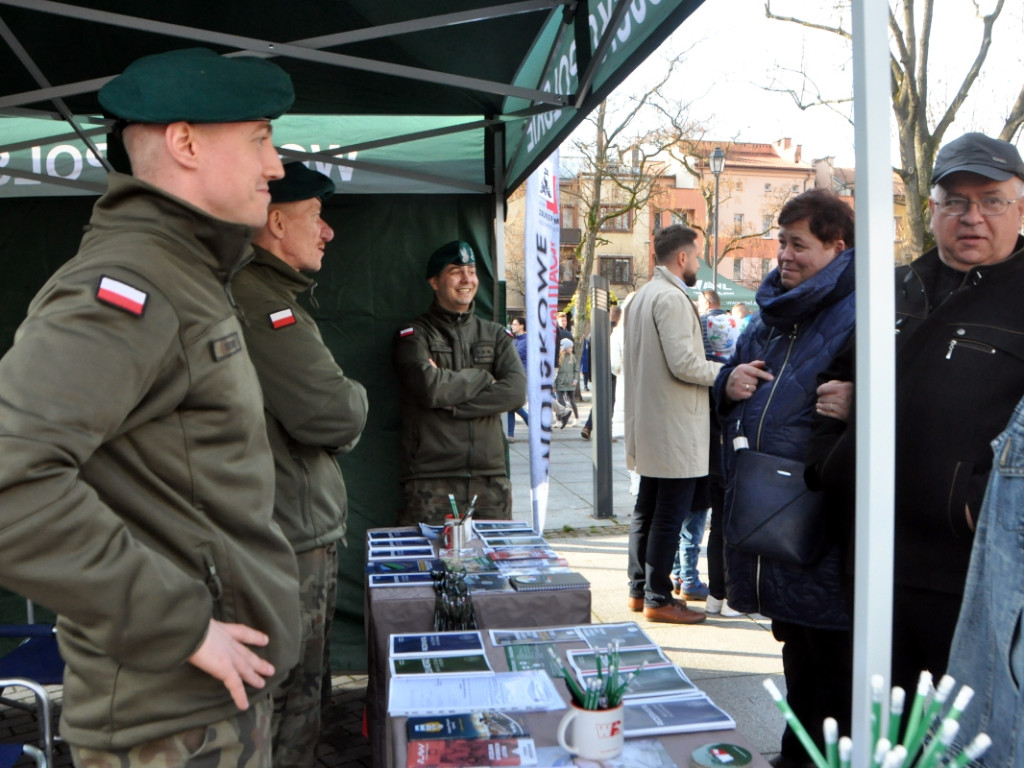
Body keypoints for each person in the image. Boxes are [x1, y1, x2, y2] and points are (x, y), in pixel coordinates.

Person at [0, 47, 302, 764]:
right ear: (185, 142)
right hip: (167, 728)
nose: (277, 165)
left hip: (203, 712)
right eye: (259, 137)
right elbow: (9, 483)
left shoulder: (184, 273)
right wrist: (184, 626)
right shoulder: (130, 284)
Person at [809, 132, 1024, 700]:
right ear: (932, 212)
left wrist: (977, 506)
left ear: (1020, 208)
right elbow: (828, 386)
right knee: (873, 725)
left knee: (955, 738)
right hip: (869, 557)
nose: (972, 216)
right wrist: (830, 465)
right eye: (955, 201)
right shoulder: (893, 289)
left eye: (992, 200)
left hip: (970, 572)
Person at [232, 162, 368, 767]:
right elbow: (333, 414)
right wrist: (354, 398)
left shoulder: (270, 296)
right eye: (316, 215)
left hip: (291, 530)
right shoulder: (260, 303)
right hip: (284, 539)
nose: (328, 231)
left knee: (299, 702)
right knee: (288, 709)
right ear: (276, 220)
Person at [715, 188, 856, 768]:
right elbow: (728, 383)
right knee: (796, 644)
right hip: (767, 513)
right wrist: (726, 386)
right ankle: (799, 753)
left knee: (831, 654)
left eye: (799, 244)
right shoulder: (771, 315)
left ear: (837, 247)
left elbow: (909, 400)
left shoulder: (863, 310)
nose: (784, 255)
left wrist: (861, 401)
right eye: (781, 241)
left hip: (822, 516)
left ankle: (822, 758)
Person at [623, 224, 722, 625]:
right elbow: (686, 364)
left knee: (646, 508)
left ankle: (639, 589)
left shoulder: (643, 295)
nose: (698, 263)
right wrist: (727, 373)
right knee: (669, 513)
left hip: (651, 419)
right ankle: (657, 595)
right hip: (675, 424)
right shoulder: (673, 297)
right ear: (682, 258)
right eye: (697, 256)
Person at [394, 240, 527, 525]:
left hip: (490, 481)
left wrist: (451, 403)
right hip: (431, 481)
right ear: (434, 281)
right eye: (455, 271)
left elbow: (515, 392)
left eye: (471, 270)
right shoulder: (414, 334)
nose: (466, 279)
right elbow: (430, 388)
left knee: (493, 566)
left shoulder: (494, 334)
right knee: (429, 567)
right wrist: (484, 377)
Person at [672, 289, 740, 606]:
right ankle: (721, 593)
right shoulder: (731, 378)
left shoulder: (697, 375)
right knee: (723, 528)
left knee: (693, 523)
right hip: (725, 459)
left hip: (700, 457)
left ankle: (705, 589)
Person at [580, 304, 622, 441]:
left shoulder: (596, 331)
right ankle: (606, 431)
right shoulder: (617, 331)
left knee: (599, 401)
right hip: (611, 372)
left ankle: (588, 427)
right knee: (611, 402)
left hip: (597, 370)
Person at [506, 316, 530, 441]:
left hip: (521, 374)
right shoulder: (514, 340)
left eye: (515, 324)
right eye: (512, 324)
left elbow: (517, 356)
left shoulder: (527, 340)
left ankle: (531, 422)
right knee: (510, 403)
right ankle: (510, 434)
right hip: (513, 374)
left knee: (513, 403)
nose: (512, 326)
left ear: (522, 326)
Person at [554, 337, 579, 426]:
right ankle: (559, 420)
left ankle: (576, 418)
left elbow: (576, 369)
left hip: (570, 382)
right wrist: (554, 384)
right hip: (560, 382)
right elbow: (555, 372)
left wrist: (575, 379)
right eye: (570, 347)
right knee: (560, 401)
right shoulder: (558, 358)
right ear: (565, 347)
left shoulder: (572, 357)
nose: (572, 349)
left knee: (572, 401)